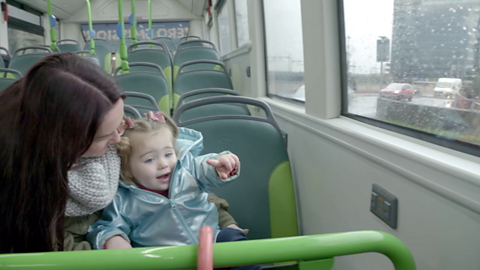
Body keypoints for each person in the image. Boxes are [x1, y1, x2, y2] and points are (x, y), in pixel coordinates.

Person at [0, 53, 241, 254]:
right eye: (104, 136)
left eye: (119, 125)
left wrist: (226, 222)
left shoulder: (118, 155)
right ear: (64, 144)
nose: (118, 140)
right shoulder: (25, 191)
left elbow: (189, 185)